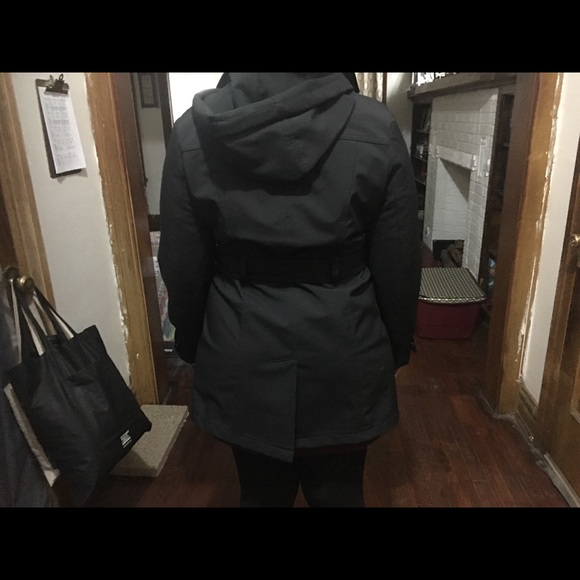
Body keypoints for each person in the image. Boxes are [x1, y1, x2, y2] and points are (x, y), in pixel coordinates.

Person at [158, 72, 421, 507]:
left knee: (260, 493)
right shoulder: (375, 125)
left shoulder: (192, 132)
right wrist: (392, 347)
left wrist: (193, 343)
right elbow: (399, 256)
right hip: (344, 342)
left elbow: (182, 262)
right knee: (340, 493)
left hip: (241, 339)